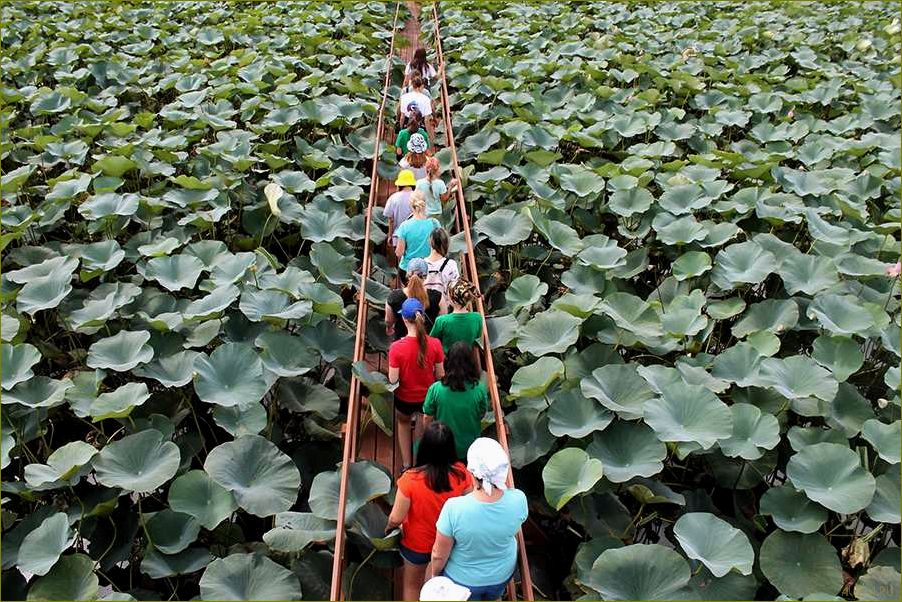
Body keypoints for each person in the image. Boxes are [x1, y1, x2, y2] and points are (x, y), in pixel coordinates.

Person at [429, 438, 528, 601]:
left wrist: (435, 576)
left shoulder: (454, 508)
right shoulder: (519, 500)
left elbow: (438, 555)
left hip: (462, 581)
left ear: (472, 472)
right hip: (501, 575)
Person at [387, 422, 473, 602]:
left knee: (412, 586)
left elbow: (396, 517)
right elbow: (469, 505)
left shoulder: (410, 480)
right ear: (451, 447)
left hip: (416, 544)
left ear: (423, 447)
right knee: (439, 587)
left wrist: (388, 529)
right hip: (448, 544)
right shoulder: (462, 474)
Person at [388, 298, 445, 471]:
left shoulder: (396, 347)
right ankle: (419, 464)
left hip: (403, 398)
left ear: (404, 319)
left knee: (403, 424)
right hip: (427, 398)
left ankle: (406, 465)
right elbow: (440, 374)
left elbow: (393, 380)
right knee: (422, 428)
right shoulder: (435, 344)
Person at [423, 342, 489, 461]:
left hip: (442, 445)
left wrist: (429, 439)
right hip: (469, 447)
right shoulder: (479, 389)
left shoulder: (435, 389)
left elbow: (427, 417)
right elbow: (482, 413)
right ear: (471, 363)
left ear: (447, 362)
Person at [386, 257, 443, 342]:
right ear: (426, 276)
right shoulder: (438, 297)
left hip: (402, 341)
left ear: (407, 275)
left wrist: (389, 328)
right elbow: (441, 321)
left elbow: (388, 320)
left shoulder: (394, 297)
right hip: (428, 343)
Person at [429, 279, 483, 354]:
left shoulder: (441, 321)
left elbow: (431, 342)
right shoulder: (477, 318)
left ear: (452, 300)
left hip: (447, 359)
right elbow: (477, 340)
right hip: (468, 358)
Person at [395, 190, 440, 274]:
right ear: (425, 204)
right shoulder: (435, 223)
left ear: (410, 205)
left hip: (408, 270)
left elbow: (399, 253)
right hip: (430, 269)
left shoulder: (404, 226)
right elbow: (440, 247)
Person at [424, 228, 460, 313]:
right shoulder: (451, 265)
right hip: (444, 310)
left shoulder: (421, 264)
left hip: (424, 309)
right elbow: (455, 289)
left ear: (430, 242)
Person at [384, 169, 418, 246]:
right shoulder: (418, 196)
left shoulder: (393, 198)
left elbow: (391, 219)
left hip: (398, 236)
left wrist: (390, 236)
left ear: (399, 184)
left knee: (399, 253)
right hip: (415, 236)